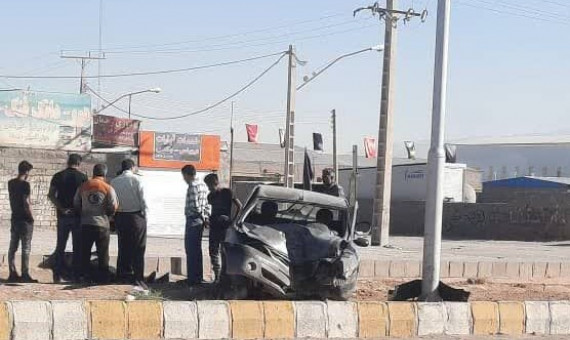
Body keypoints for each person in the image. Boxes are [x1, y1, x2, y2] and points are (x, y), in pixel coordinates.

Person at [74, 164, 118, 283]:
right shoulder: (108, 188)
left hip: (86, 223)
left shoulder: (83, 186)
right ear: (104, 173)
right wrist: (108, 215)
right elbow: (114, 206)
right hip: (102, 225)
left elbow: (76, 204)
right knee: (103, 253)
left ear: (93, 173)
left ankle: (84, 276)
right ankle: (103, 278)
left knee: (85, 252)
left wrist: (83, 214)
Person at [48, 153, 88, 282]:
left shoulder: (58, 176)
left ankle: (57, 275)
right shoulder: (83, 178)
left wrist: (62, 209)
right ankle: (76, 275)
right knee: (77, 246)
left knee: (60, 245)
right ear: (79, 163)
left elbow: (51, 195)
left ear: (67, 162)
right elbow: (85, 198)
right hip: (77, 216)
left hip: (62, 216)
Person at [110, 159, 148, 288]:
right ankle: (138, 278)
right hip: (136, 216)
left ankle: (122, 275)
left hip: (120, 217)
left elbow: (112, 201)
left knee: (123, 247)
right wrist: (145, 215)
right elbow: (143, 199)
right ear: (133, 167)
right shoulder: (137, 180)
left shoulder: (114, 181)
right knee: (138, 248)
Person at [203, 173, 242, 282]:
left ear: (215, 183)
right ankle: (217, 277)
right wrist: (207, 220)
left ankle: (226, 278)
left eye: (210, 185)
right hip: (214, 227)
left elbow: (239, 206)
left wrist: (233, 222)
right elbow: (208, 209)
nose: (209, 188)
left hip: (225, 228)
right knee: (213, 252)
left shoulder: (227, 193)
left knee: (225, 252)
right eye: (208, 186)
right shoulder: (210, 196)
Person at [7, 161, 37, 283]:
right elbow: (26, 202)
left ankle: (12, 272)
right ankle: (25, 274)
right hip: (25, 219)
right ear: (26, 172)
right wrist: (31, 216)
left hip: (15, 217)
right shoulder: (25, 185)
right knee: (26, 247)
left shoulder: (11, 183)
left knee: (13, 246)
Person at [181, 165, 210, 287]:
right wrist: (205, 217)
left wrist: (201, 215)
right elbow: (206, 204)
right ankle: (197, 277)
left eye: (184, 176)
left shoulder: (193, 186)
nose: (184, 179)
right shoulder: (203, 185)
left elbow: (196, 206)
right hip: (200, 221)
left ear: (188, 175)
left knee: (191, 249)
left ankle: (192, 279)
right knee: (197, 250)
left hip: (193, 219)